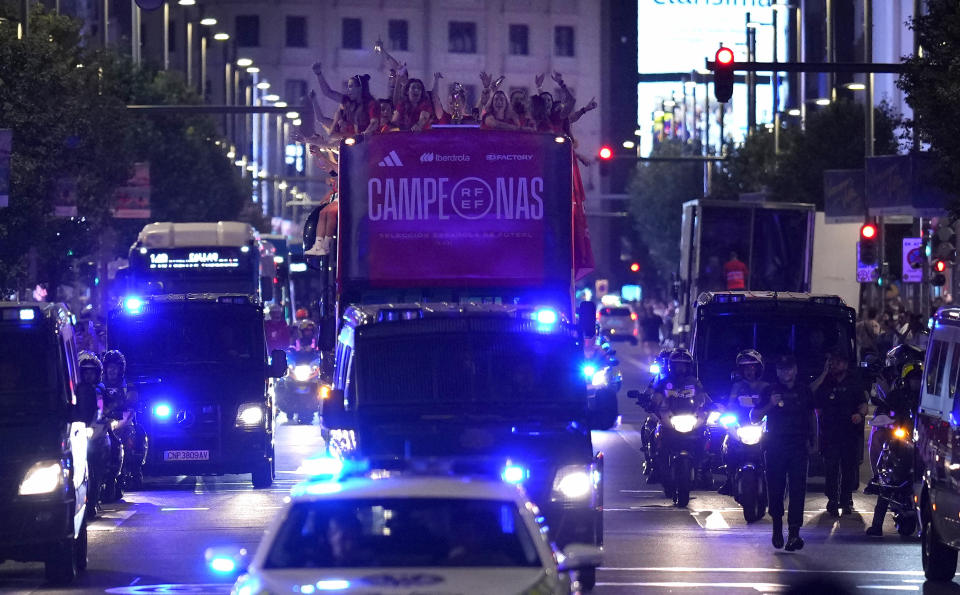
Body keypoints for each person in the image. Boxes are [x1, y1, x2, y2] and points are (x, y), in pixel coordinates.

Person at [751, 354, 817, 551]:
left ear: (795, 370)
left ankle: (794, 533)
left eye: (789, 369)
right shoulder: (769, 390)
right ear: (777, 371)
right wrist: (770, 404)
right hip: (775, 445)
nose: (786, 372)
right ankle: (777, 528)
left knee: (798, 490)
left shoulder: (804, 390)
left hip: (798, 445)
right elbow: (754, 416)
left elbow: (812, 416)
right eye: (782, 369)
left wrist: (815, 440)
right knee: (776, 488)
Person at [865, 348, 923, 536]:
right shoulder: (897, 395)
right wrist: (884, 419)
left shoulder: (925, 398)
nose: (916, 382)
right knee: (888, 481)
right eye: (913, 378)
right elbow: (884, 409)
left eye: (918, 378)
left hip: (921, 443)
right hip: (900, 441)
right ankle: (876, 525)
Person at [813, 348, 868, 517]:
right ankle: (832, 500)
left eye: (838, 362)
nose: (834, 365)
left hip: (850, 433)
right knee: (831, 468)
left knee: (848, 468)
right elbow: (815, 401)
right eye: (832, 362)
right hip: (830, 433)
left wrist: (860, 415)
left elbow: (863, 404)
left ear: (845, 364)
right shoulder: (825, 382)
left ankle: (846, 500)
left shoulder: (854, 382)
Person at [718, 349, 770, 495]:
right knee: (726, 445)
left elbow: (771, 407)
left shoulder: (766, 387)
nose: (749, 370)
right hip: (740, 425)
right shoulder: (735, 386)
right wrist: (724, 412)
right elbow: (729, 404)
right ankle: (730, 478)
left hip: (760, 426)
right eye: (746, 367)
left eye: (752, 366)